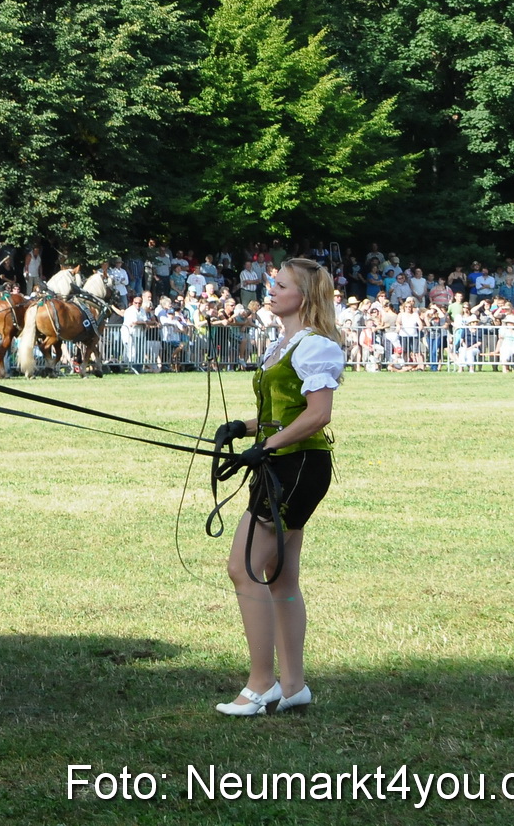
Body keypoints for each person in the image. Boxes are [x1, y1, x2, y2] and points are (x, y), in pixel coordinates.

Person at [211, 257, 343, 717]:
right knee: (280, 577)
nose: (271, 289)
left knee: (243, 567)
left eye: (280, 285)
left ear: (302, 297)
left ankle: (261, 684)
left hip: (298, 466)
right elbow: (283, 413)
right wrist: (244, 429)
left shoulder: (314, 346)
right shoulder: (283, 344)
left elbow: (317, 414)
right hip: (283, 462)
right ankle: (293, 686)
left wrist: (266, 445)